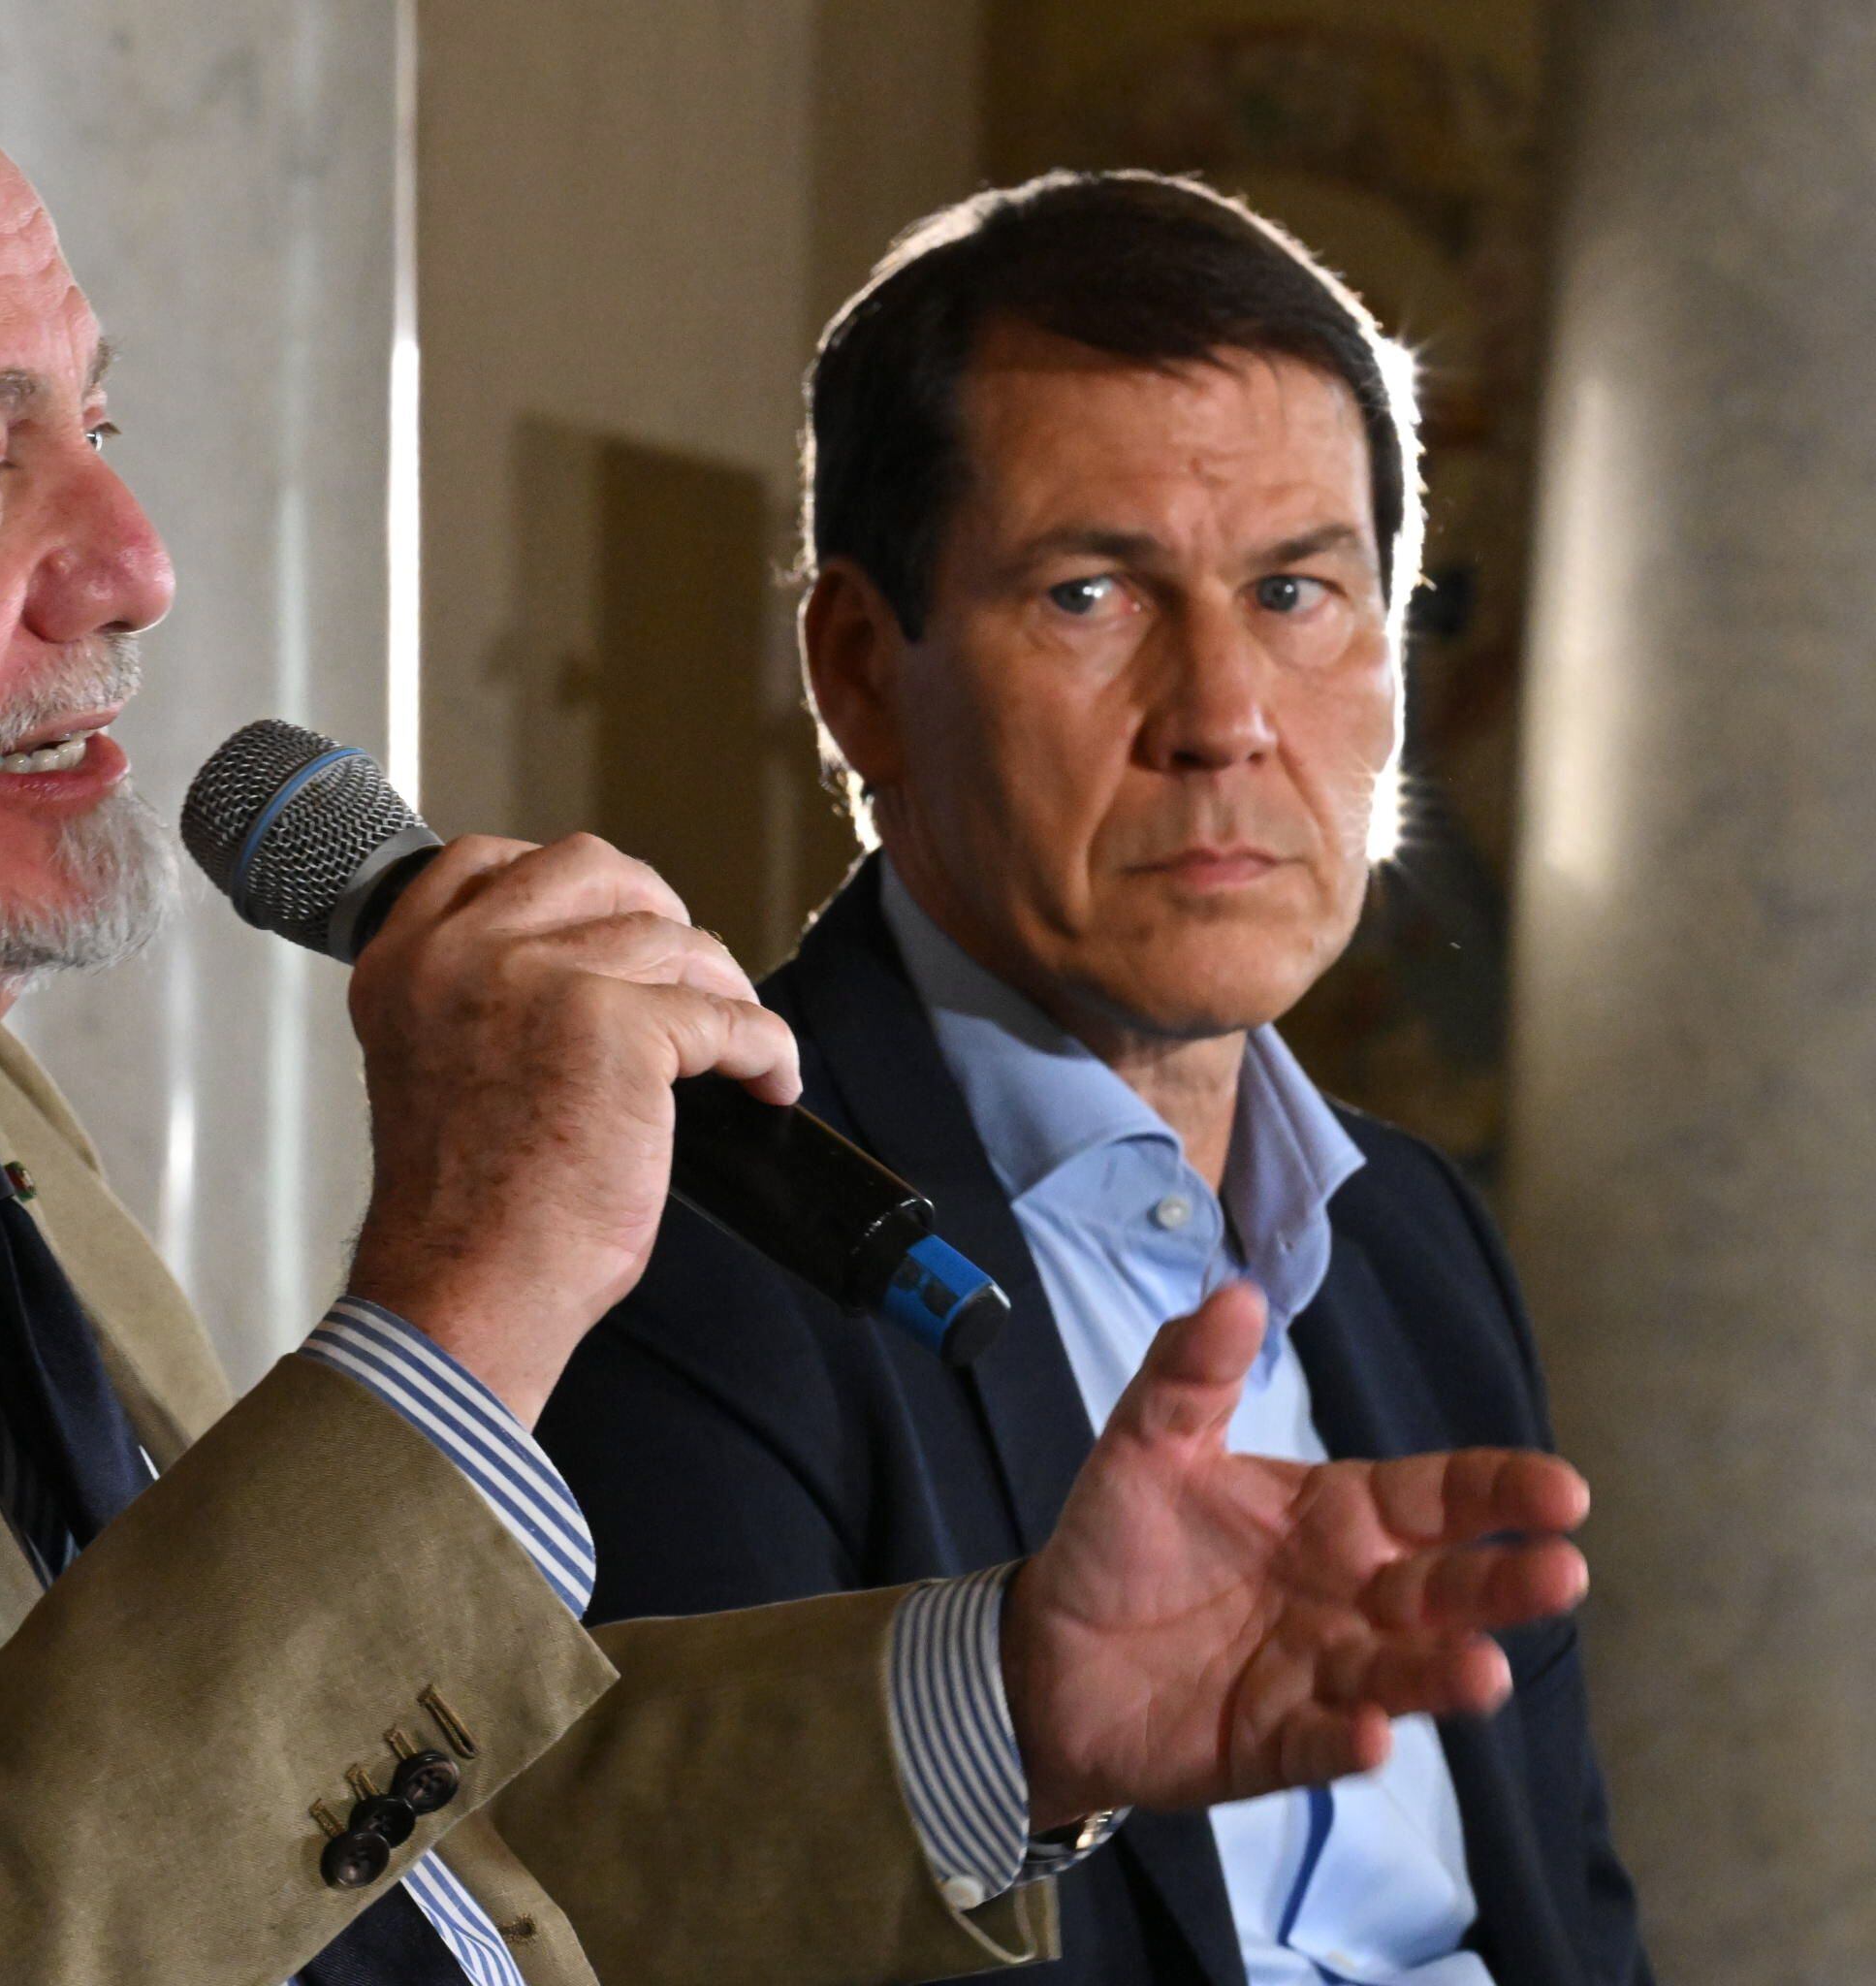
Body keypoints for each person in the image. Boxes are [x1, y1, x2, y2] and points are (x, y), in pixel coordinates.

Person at [0, 15, 1593, 1983]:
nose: (140, 563)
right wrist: (463, 1306)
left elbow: (350, 1871)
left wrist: (1012, 1703)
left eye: (111, 438)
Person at [538, 172, 1651, 1986]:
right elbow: (632, 1924)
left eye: (1298, 589)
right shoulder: (679, 1229)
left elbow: (1572, 1923)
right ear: (859, 674)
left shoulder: (1420, 1236)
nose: (1223, 710)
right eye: (1090, 593)